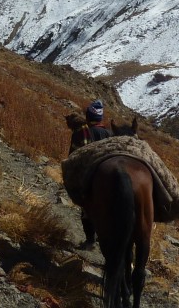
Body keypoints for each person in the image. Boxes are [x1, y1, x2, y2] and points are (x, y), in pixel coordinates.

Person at [68, 99, 112, 250]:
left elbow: (72, 157)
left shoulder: (81, 133)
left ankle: (90, 241)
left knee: (87, 209)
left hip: (88, 178)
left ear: (88, 116)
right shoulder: (109, 134)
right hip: (110, 180)